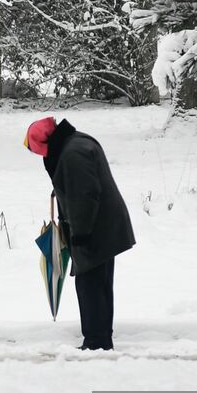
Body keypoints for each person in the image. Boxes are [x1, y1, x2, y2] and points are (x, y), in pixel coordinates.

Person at [24, 116, 135, 350]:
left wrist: (80, 235)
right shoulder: (76, 142)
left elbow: (84, 196)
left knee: (90, 285)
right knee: (100, 284)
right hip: (104, 225)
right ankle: (101, 337)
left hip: (95, 228)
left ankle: (96, 342)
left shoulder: (72, 154)